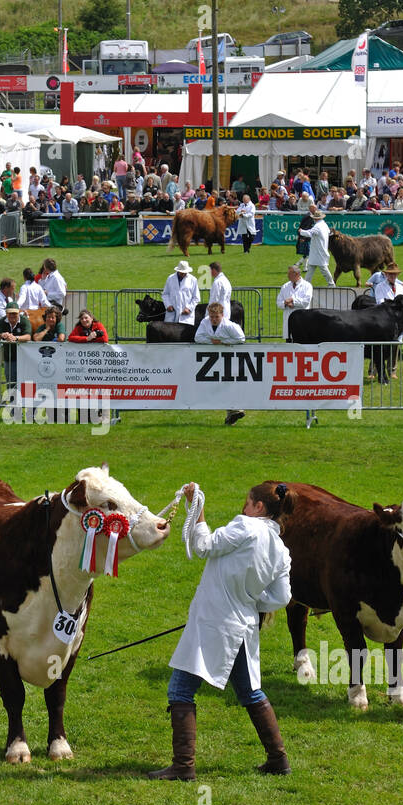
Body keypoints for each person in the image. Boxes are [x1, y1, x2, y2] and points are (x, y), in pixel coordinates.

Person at [148, 481, 294, 780]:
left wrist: (198, 510)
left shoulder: (244, 526)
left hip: (215, 623)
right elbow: (282, 598)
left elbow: (204, 547)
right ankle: (278, 759)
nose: (244, 507)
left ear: (259, 508)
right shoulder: (281, 549)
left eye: (247, 502)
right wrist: (251, 601)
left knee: (180, 690)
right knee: (250, 692)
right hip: (244, 626)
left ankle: (183, 766)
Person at [194, 301, 248, 426]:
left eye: (216, 317)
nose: (213, 319)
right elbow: (198, 338)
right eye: (211, 317)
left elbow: (241, 339)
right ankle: (231, 414)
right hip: (210, 361)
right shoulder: (204, 322)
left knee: (228, 383)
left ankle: (235, 409)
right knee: (217, 386)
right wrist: (212, 342)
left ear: (222, 315)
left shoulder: (229, 325)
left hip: (228, 358)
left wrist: (223, 341)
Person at [0, 300, 32, 391]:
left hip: (25, 357)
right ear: (6, 313)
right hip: (9, 357)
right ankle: (12, 402)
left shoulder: (24, 321)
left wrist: (15, 338)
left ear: (19, 313)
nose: (12, 315)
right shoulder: (2, 321)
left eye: (15, 313)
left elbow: (28, 336)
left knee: (26, 382)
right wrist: (1, 335)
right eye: (10, 313)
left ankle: (26, 402)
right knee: (10, 382)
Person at [277, 264, 313, 340]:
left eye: (289, 274)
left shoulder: (307, 286)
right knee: (289, 343)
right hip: (288, 320)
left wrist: (293, 300)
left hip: (302, 320)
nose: (288, 276)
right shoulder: (285, 286)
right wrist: (285, 303)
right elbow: (279, 302)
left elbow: (306, 302)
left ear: (296, 274)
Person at [162, 260, 200, 325]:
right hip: (172, 315)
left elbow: (196, 297)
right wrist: (168, 305)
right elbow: (165, 294)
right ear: (178, 271)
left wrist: (189, 308)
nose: (183, 274)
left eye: (184, 272)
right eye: (181, 272)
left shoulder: (193, 280)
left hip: (186, 317)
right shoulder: (170, 278)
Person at [304, 209, 334, 285]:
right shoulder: (324, 224)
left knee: (324, 269)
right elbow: (329, 233)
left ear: (315, 218)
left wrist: (301, 231)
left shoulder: (317, 226)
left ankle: (331, 284)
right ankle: (305, 285)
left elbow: (309, 233)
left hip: (319, 251)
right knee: (310, 268)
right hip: (318, 250)